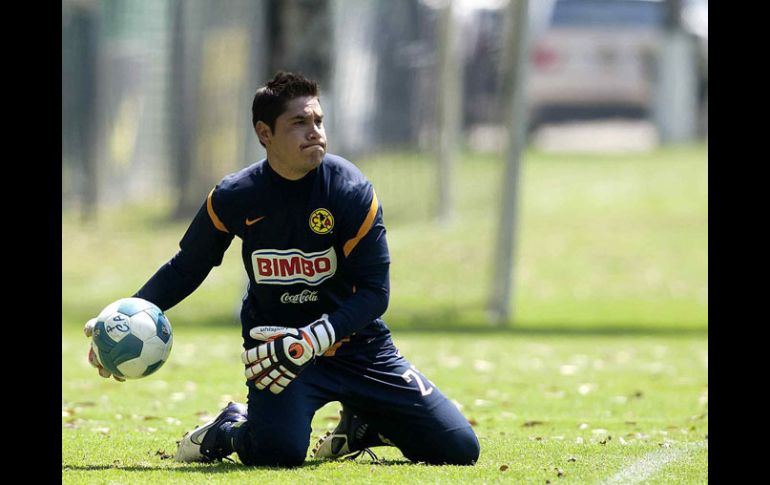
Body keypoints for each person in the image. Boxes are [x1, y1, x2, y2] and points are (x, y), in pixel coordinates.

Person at [83, 71, 480, 467]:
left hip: (360, 348)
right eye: (299, 123)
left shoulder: (350, 190)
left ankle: (365, 423)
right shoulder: (235, 196)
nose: (315, 132)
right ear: (264, 133)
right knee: (280, 454)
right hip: (277, 353)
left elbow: (376, 293)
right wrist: (120, 319)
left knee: (460, 449)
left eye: (318, 121)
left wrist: (313, 338)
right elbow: (187, 267)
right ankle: (229, 428)